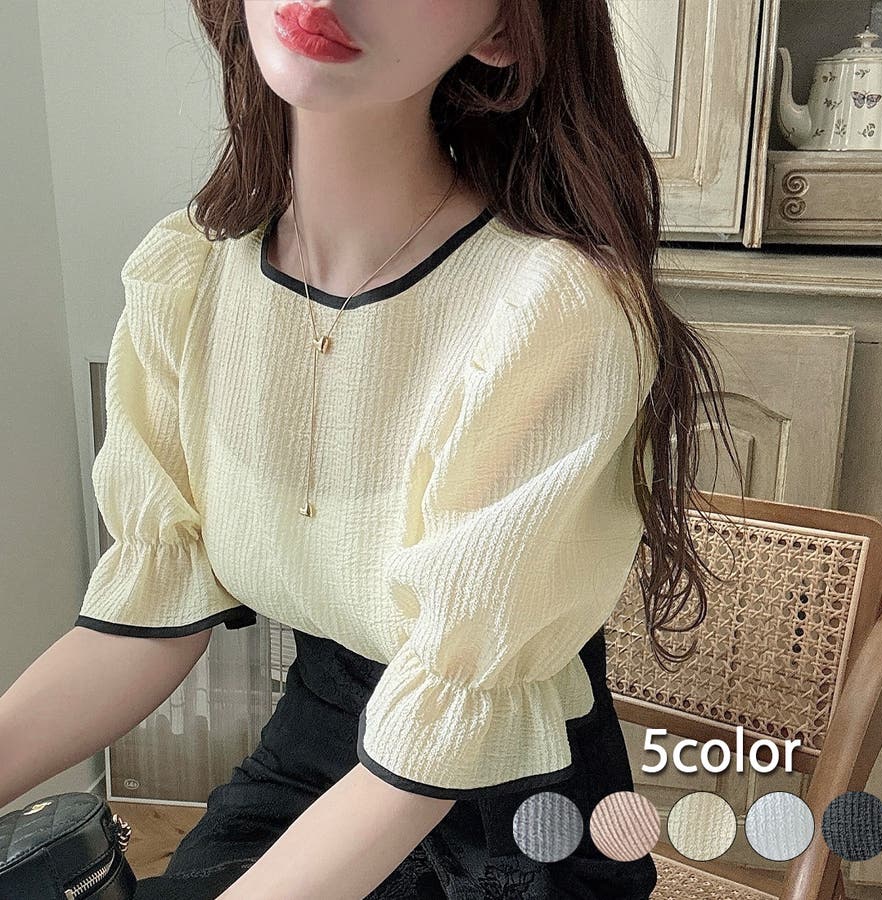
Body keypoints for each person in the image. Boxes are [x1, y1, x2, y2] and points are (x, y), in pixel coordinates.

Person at [1, 0, 742, 897]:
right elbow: (145, 622)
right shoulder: (190, 279)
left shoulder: (550, 313)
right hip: (310, 769)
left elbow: (436, 754)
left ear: (503, 31)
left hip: (511, 825)